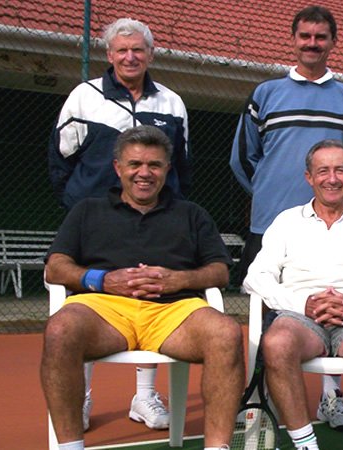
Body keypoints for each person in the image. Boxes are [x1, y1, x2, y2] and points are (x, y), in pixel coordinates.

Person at [41, 126, 243, 450]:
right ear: (118, 167)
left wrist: (180, 279)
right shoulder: (87, 210)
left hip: (174, 311)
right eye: (135, 164)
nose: (144, 173)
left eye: (154, 165)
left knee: (227, 334)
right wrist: (103, 280)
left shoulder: (192, 214)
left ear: (168, 169)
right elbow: (55, 268)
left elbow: (219, 272)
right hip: (104, 309)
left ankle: (218, 447)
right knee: (60, 330)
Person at [230, 5, 343, 428]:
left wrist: (339, 206)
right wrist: (271, 196)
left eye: (321, 37)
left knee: (332, 305)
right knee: (272, 315)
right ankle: (263, 403)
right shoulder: (266, 94)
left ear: (333, 42)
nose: (312, 43)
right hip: (272, 225)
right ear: (293, 40)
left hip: (334, 227)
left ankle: (332, 399)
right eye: (305, 36)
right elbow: (244, 157)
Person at [47, 18, 192, 431]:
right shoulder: (84, 96)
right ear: (109, 55)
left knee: (150, 292)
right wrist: (82, 206)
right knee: (86, 301)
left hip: (155, 220)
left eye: (138, 50)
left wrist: (168, 209)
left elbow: (181, 164)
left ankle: (144, 397)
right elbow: (61, 159)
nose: (130, 57)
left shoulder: (171, 102)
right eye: (122, 50)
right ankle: (82, 397)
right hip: (96, 221)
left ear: (150, 54)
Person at [244, 140, 343, 450]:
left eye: (340, 171)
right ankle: (307, 446)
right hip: (299, 318)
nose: (332, 178)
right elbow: (256, 277)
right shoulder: (286, 222)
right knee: (276, 343)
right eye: (323, 171)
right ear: (309, 177)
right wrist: (303, 304)